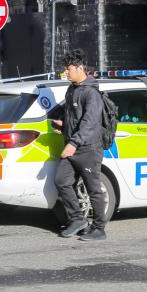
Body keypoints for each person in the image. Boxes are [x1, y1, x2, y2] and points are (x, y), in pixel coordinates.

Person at [53, 49, 107, 241]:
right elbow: (75, 118)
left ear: (80, 68)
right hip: (73, 145)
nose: (65, 73)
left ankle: (99, 228)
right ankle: (77, 219)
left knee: (94, 189)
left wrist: (73, 143)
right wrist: (64, 125)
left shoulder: (91, 94)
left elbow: (89, 123)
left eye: (68, 69)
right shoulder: (72, 90)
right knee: (61, 180)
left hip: (88, 149)